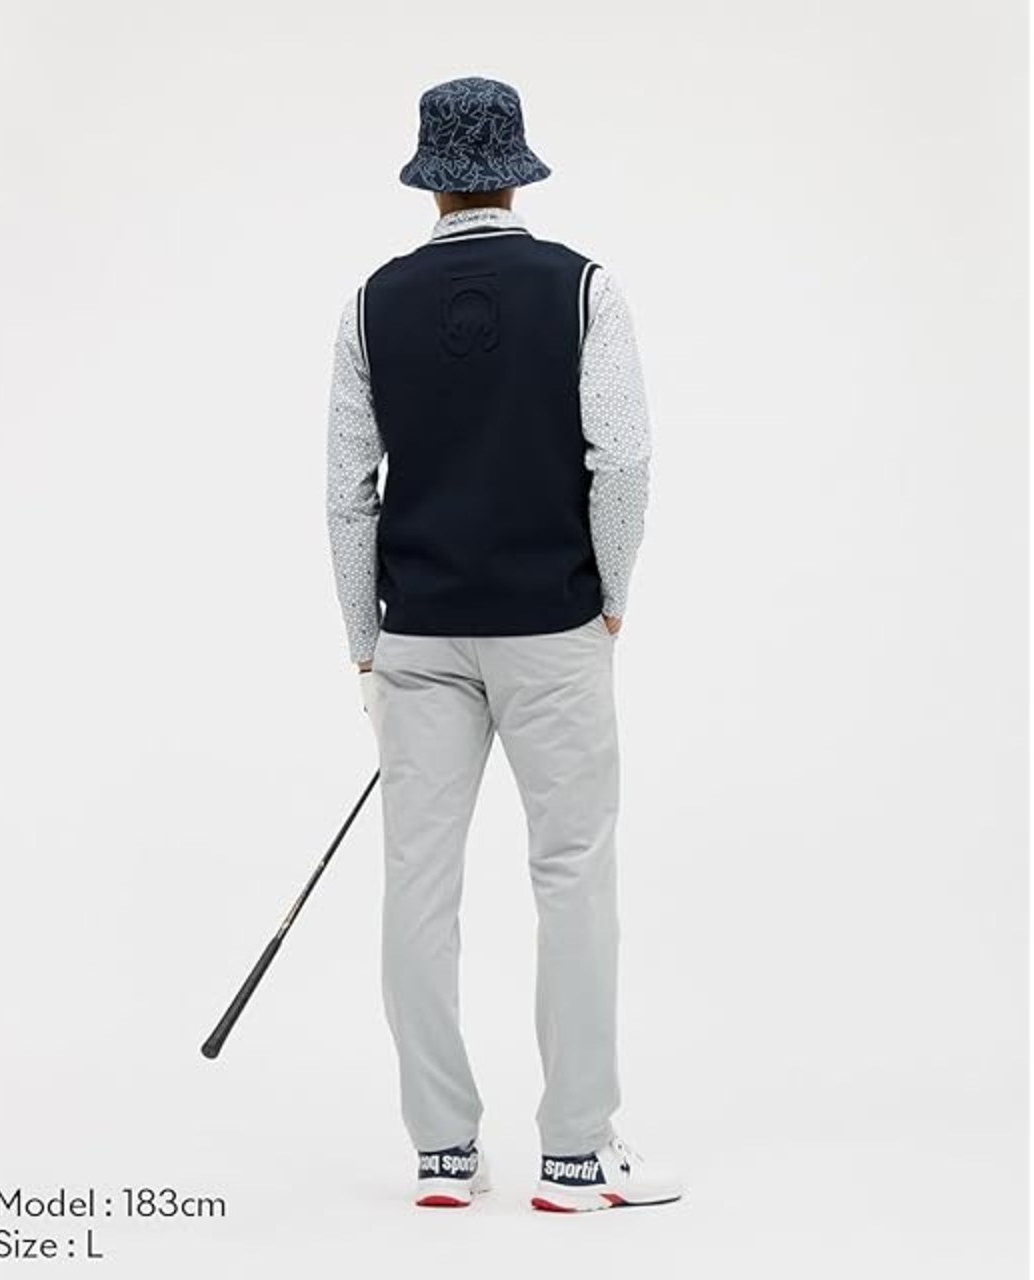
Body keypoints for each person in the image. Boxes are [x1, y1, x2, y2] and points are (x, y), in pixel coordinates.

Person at [325, 75, 680, 1213]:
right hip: (551, 627)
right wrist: (610, 594)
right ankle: (575, 1156)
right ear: (517, 174)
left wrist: (366, 644)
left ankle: (441, 1150)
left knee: (416, 884)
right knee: (571, 873)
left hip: (420, 636)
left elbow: (347, 495)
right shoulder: (583, 288)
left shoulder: (371, 304)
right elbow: (621, 458)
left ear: (429, 184)